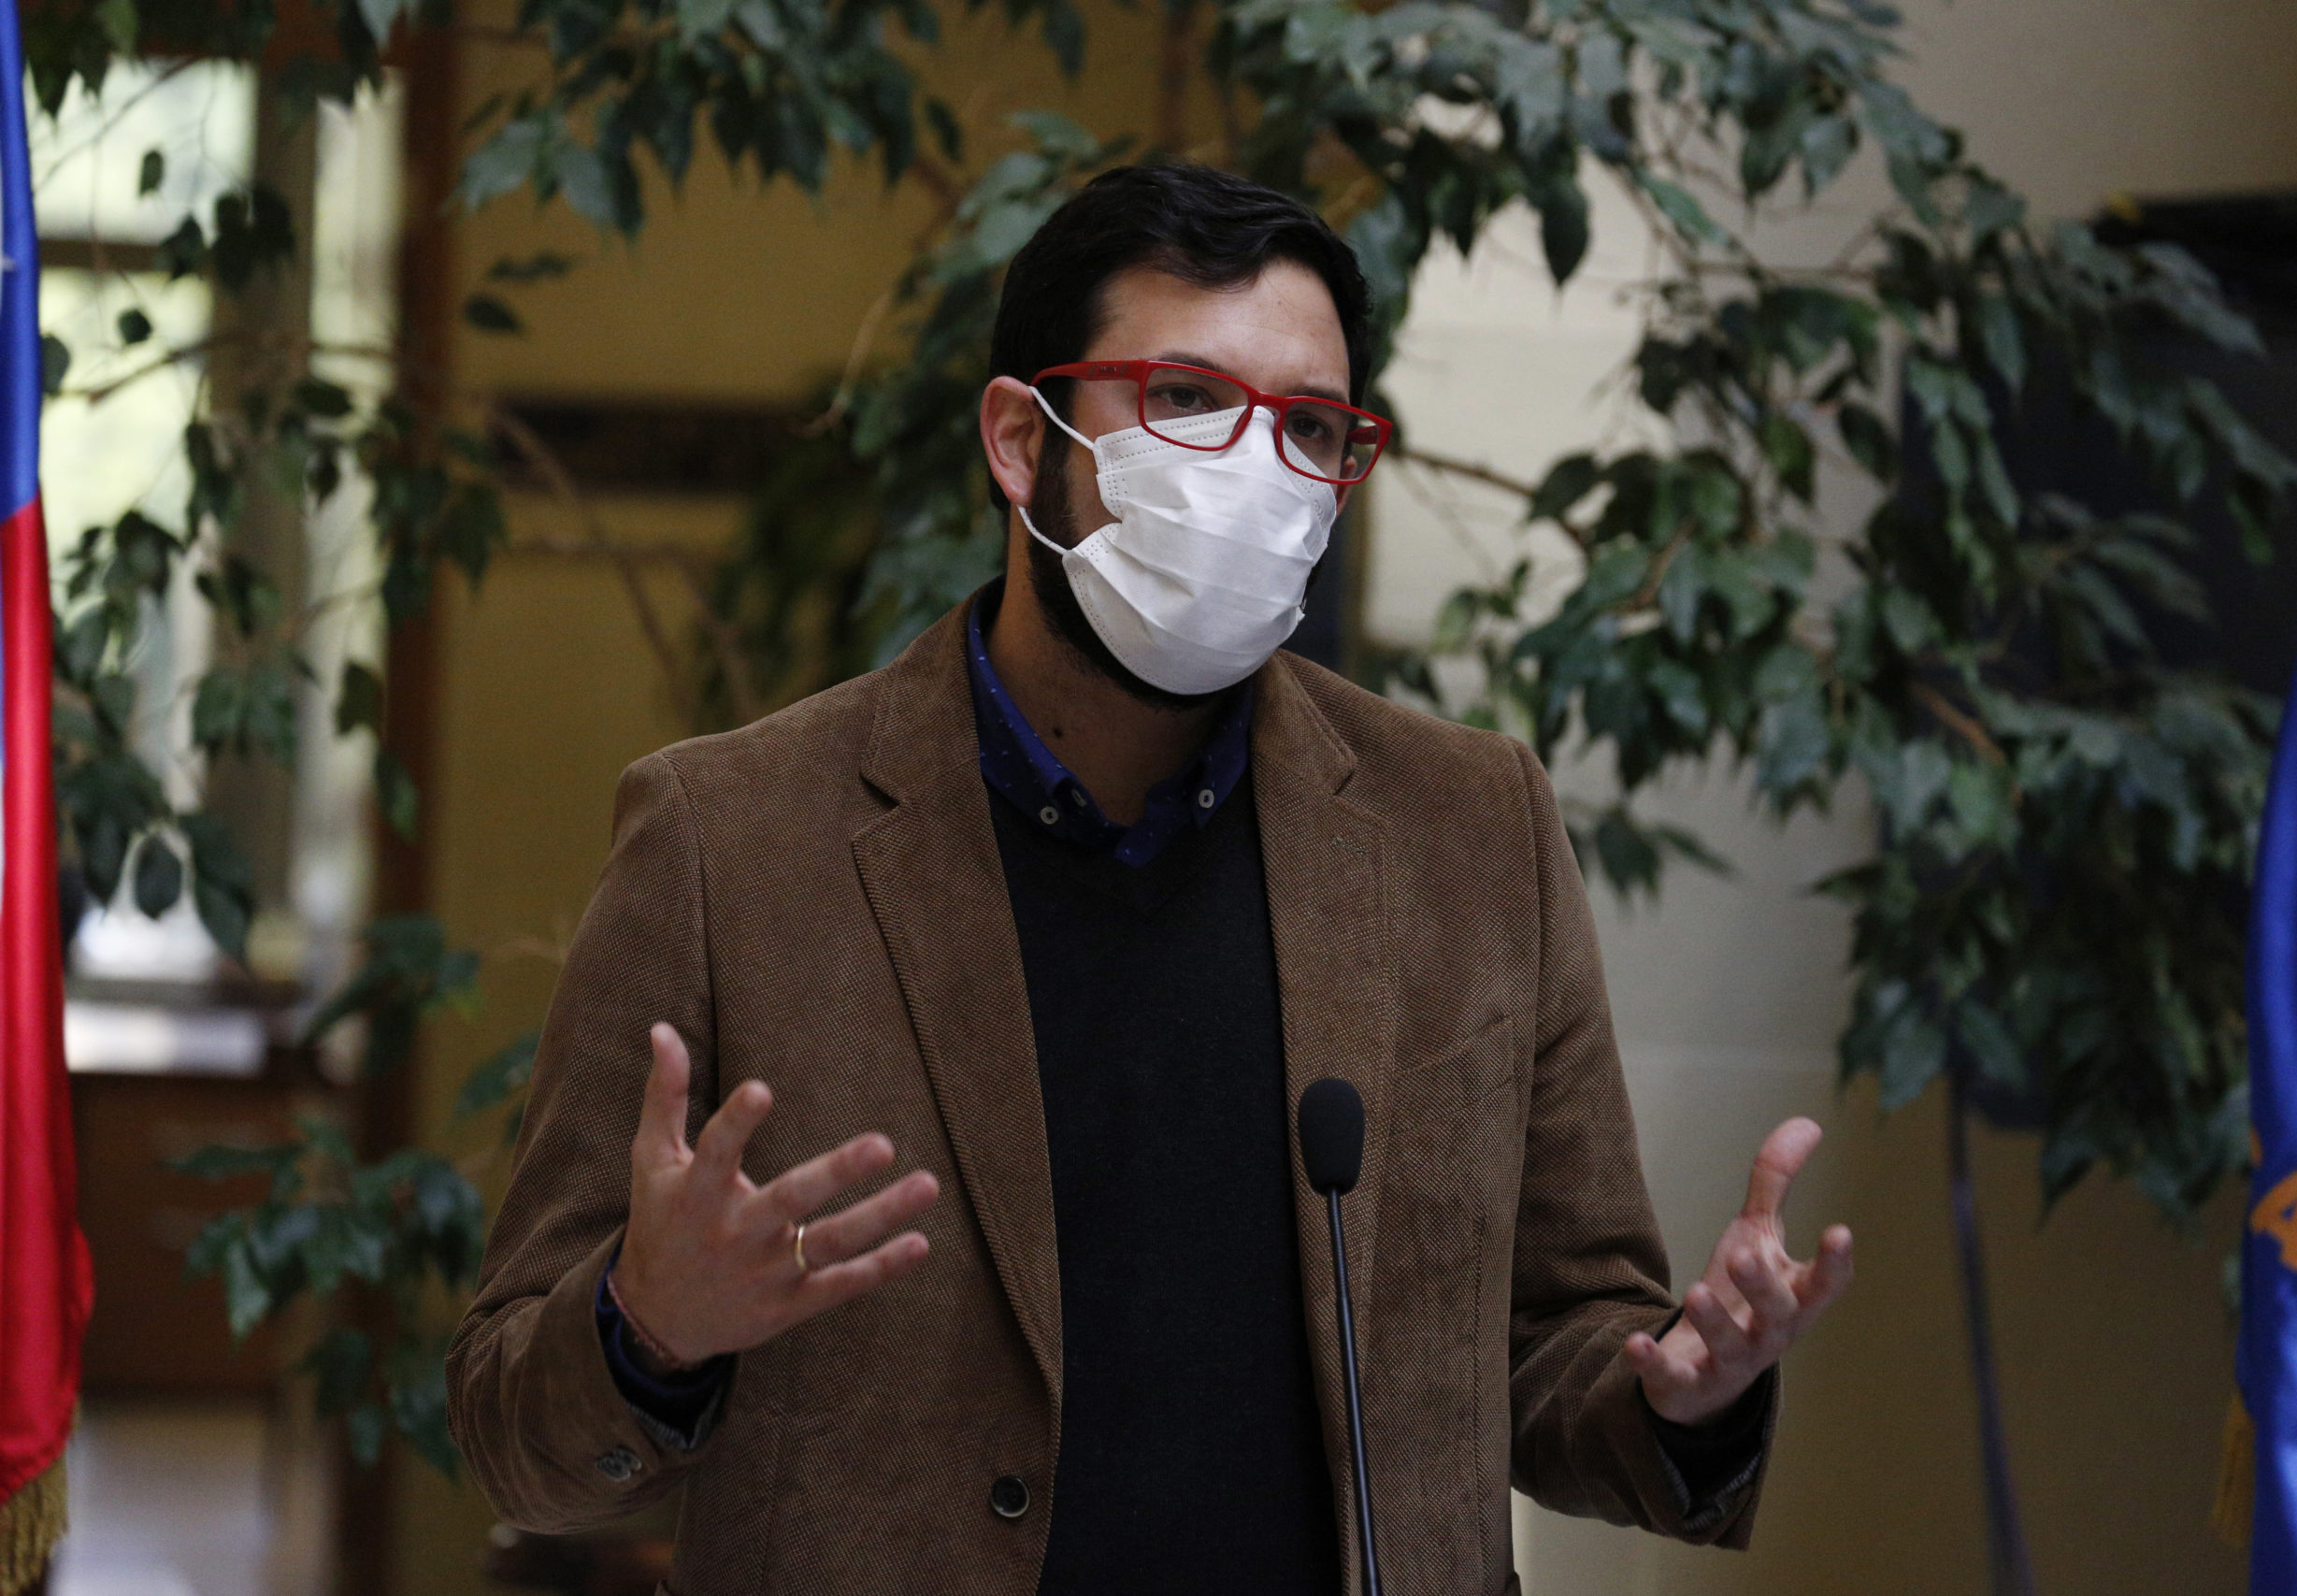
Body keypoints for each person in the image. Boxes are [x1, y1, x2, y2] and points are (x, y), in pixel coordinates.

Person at [446, 163, 1854, 1595]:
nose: (1255, 470)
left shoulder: (1469, 830)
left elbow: (1560, 1345)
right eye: (1184, 398)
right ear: (1021, 441)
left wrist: (1686, 1391)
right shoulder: (731, 840)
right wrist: (650, 1330)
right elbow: (513, 1436)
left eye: (1309, 427)